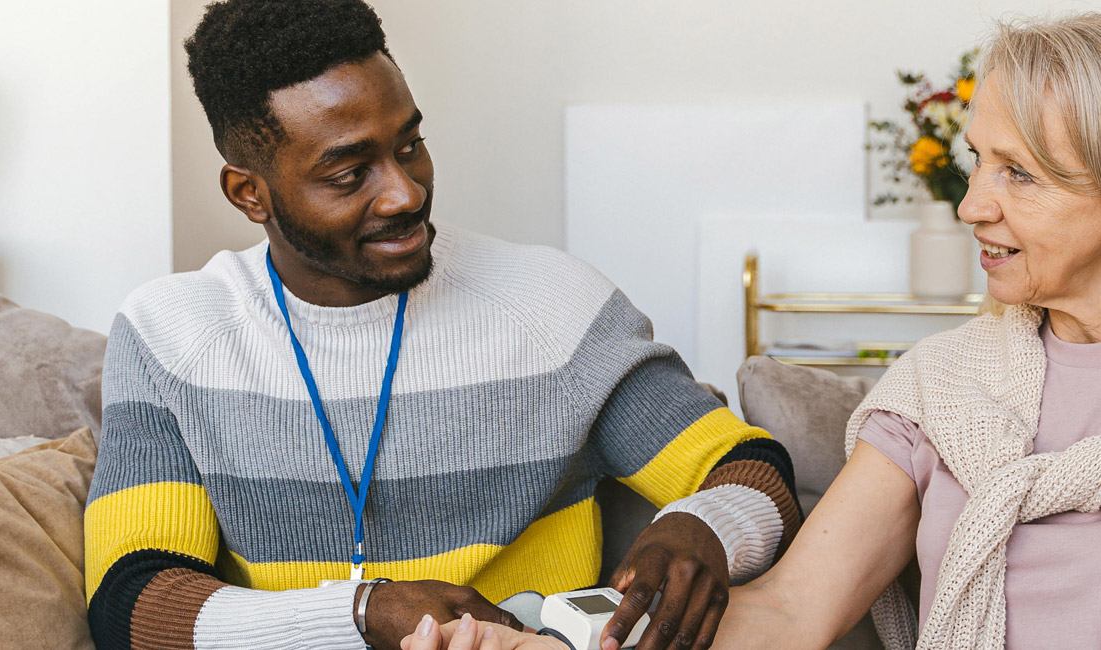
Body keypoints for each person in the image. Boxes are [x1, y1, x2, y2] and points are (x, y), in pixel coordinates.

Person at [409, 13, 1101, 650]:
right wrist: (567, 643)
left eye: (1019, 175)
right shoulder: (942, 385)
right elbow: (788, 615)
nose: (972, 206)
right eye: (977, 163)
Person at [82, 1, 801, 649]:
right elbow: (132, 602)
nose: (405, 192)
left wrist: (703, 526)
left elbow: (750, 470)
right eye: (348, 173)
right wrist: (364, 613)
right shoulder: (169, 335)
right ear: (250, 194)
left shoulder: (552, 304)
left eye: (408, 145)